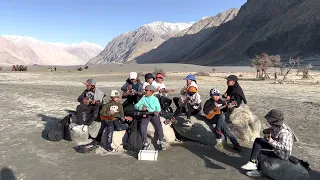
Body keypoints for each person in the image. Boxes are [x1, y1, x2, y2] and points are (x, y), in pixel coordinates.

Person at [241, 109, 299, 177]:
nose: (267, 121)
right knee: (258, 140)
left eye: (269, 120)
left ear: (273, 121)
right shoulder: (278, 126)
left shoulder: (284, 132)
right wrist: (268, 132)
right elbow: (274, 133)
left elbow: (282, 146)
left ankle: (259, 170)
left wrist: (270, 140)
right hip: (277, 148)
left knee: (258, 150)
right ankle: (252, 162)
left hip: (281, 153)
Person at [134, 85, 165, 150]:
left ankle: (161, 141)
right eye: (145, 90)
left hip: (154, 114)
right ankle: (145, 143)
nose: (145, 92)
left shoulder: (155, 99)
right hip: (146, 114)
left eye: (146, 90)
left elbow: (158, 108)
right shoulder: (143, 98)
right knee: (143, 126)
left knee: (159, 126)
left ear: (151, 91)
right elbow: (136, 106)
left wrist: (157, 111)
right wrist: (141, 108)